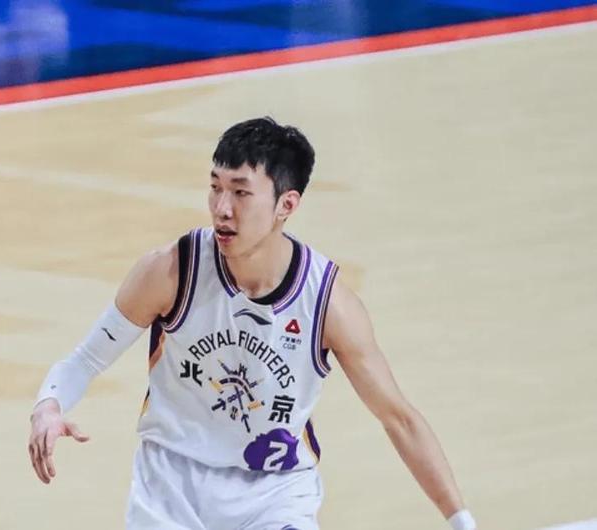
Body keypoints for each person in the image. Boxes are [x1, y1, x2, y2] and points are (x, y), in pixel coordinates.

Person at [28, 117, 477, 530]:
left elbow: (399, 418)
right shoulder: (171, 271)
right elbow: (85, 359)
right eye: (215, 187)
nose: (221, 208)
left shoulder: (328, 304)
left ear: (286, 204)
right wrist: (48, 406)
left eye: (241, 193)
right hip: (170, 487)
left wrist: (462, 522)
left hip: (274, 494)